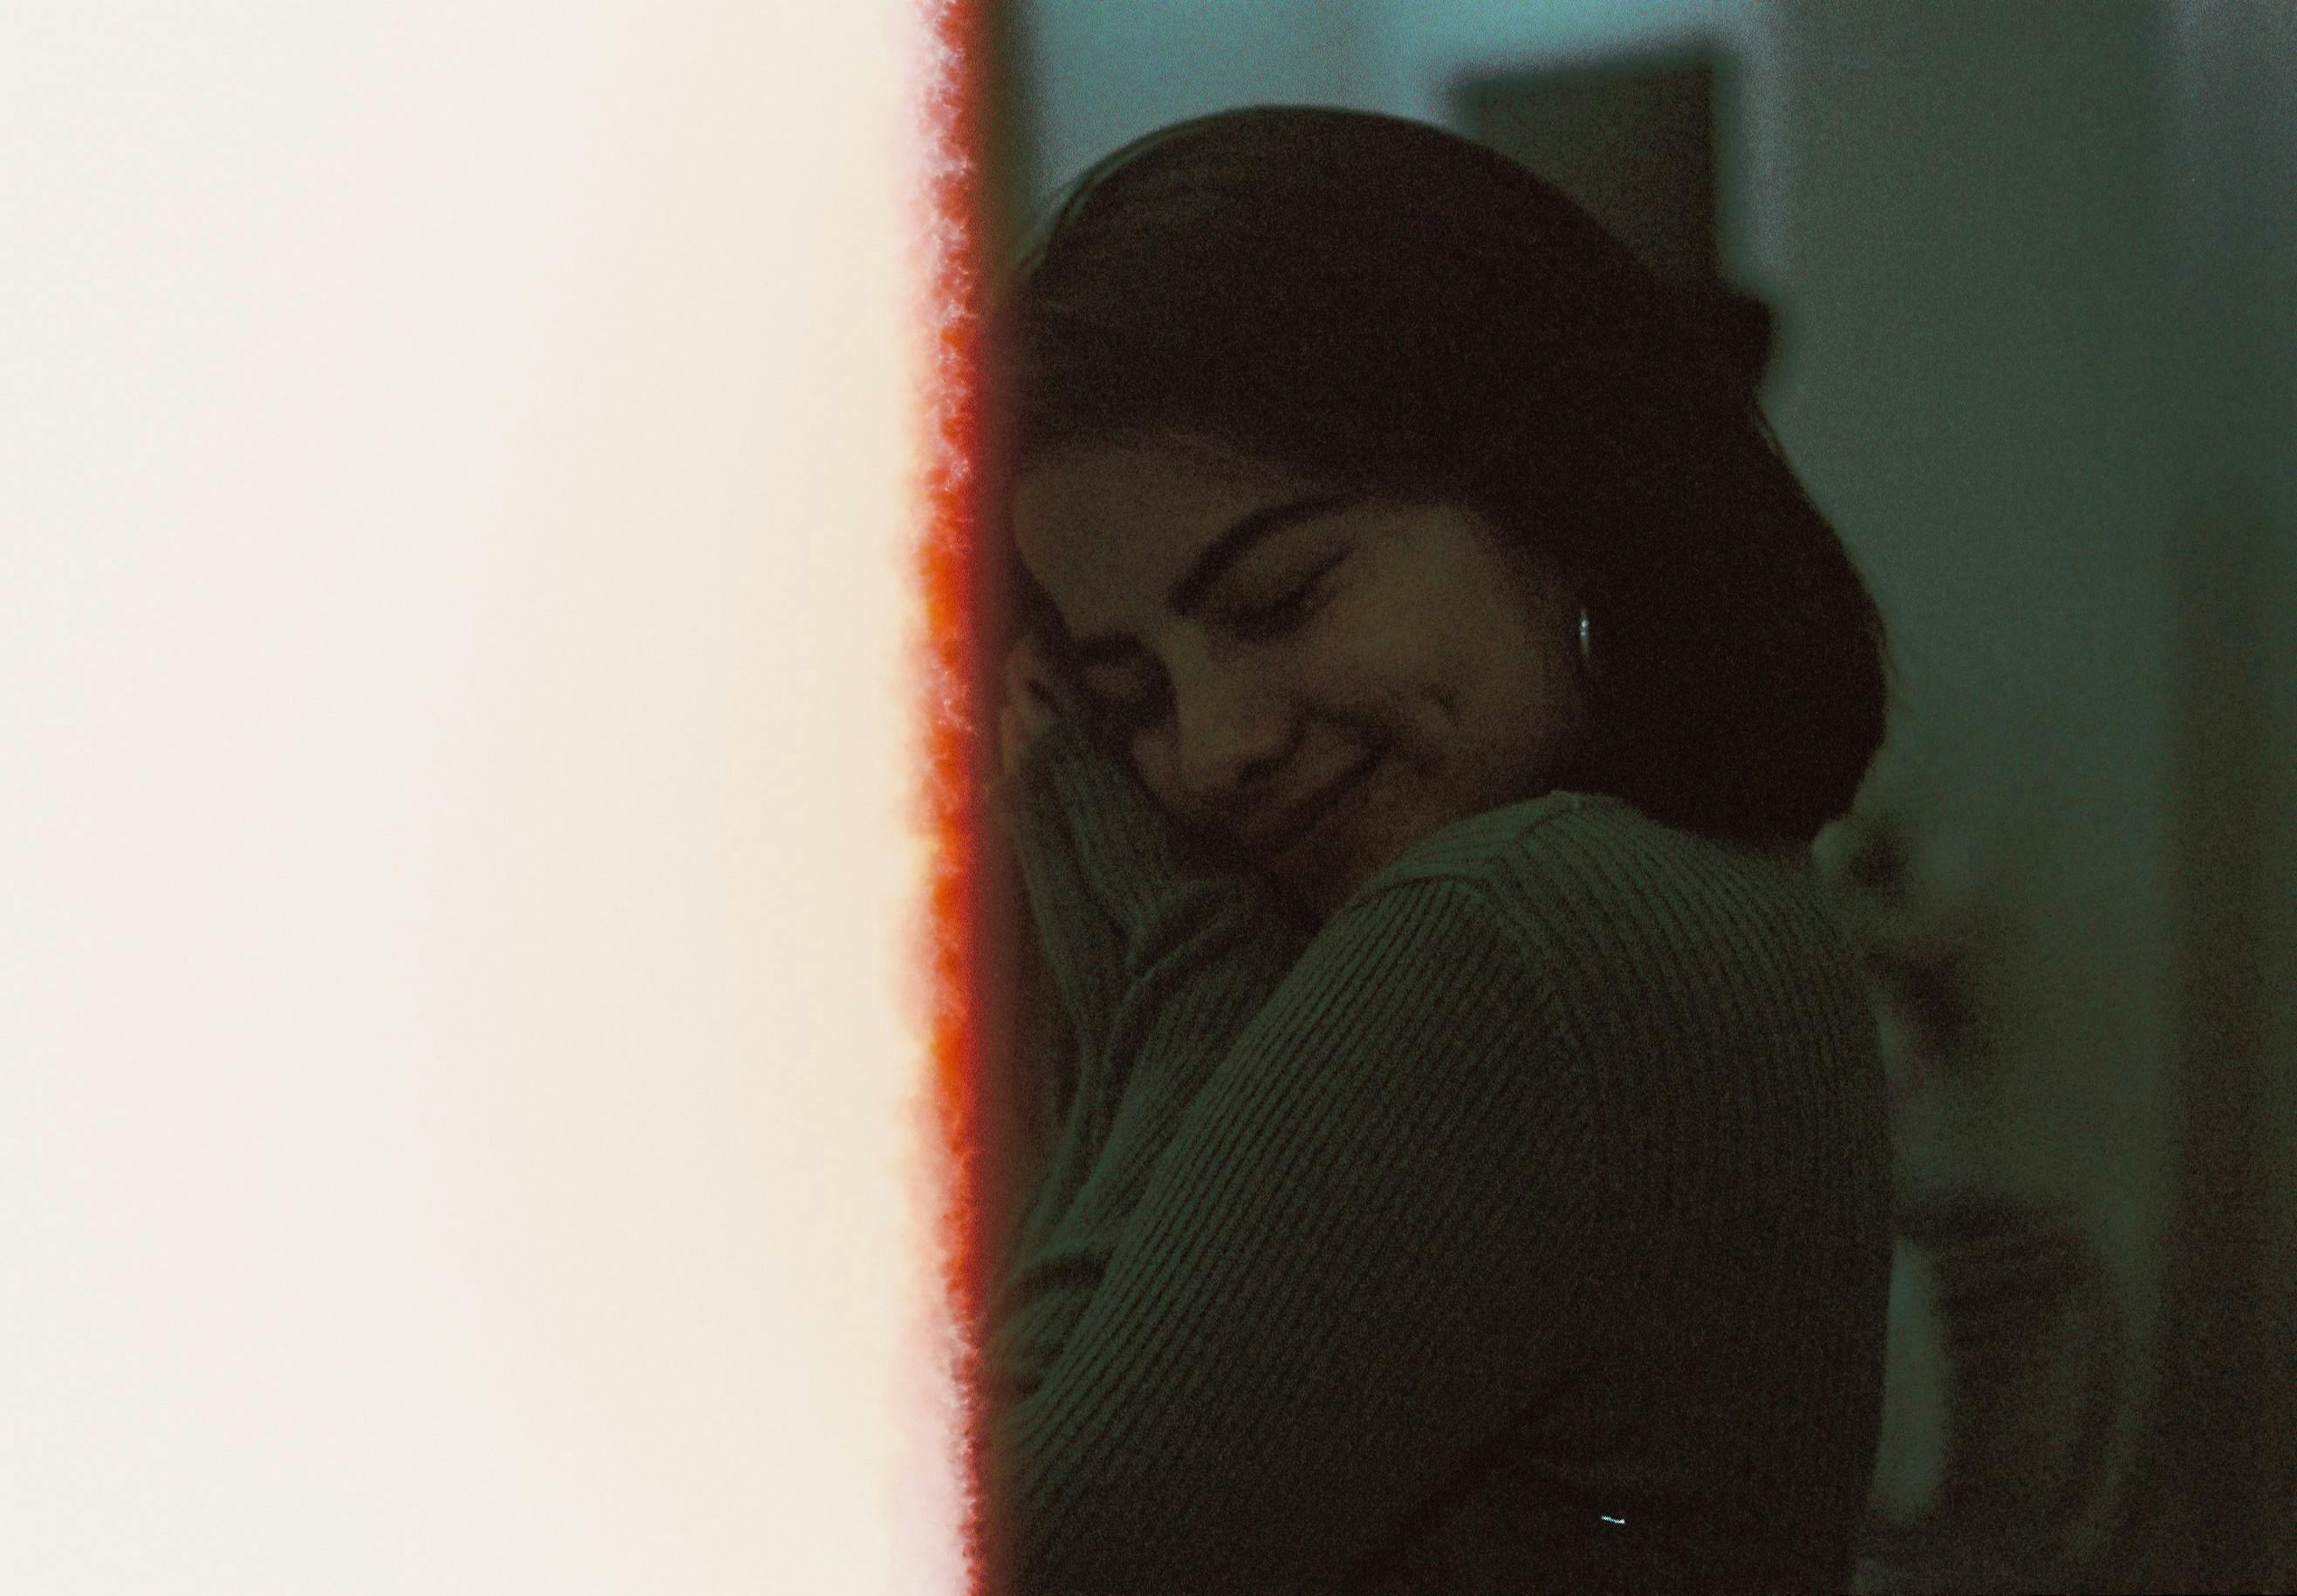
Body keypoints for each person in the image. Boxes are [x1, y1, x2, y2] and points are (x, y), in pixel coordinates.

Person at [981, 106, 1896, 1593]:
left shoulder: (1513, 934)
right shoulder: (1697, 889)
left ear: (1546, 490)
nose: (1208, 750)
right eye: (1128, 696)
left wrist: (1188, 979)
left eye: (1278, 598)